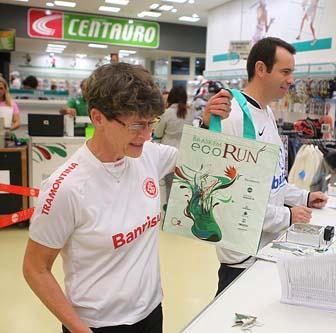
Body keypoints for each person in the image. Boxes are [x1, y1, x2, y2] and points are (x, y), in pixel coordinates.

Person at [23, 62, 230, 333]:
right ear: (98, 118)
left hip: (151, 312)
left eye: (150, 124)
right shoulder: (66, 187)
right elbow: (35, 268)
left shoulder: (147, 156)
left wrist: (206, 121)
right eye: (135, 125)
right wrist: (78, 329)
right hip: (98, 325)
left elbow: (198, 161)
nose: (146, 135)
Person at [210, 37, 328, 296]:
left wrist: (304, 197)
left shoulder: (267, 113)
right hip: (241, 258)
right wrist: (287, 216)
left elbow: (273, 181)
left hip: (267, 247)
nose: (290, 80)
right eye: (285, 72)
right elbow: (231, 197)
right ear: (261, 69)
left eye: (291, 72)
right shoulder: (233, 117)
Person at [154, 85, 194, 203]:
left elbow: (158, 133)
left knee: (168, 187)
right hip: (185, 154)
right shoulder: (190, 113)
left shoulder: (167, 113)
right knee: (182, 188)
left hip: (168, 154)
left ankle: (168, 216)